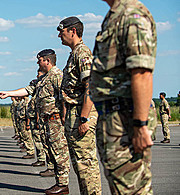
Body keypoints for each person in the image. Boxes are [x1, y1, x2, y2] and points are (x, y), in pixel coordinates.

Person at [89, 0, 157, 194]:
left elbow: (142, 72)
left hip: (125, 119)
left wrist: (140, 124)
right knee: (120, 186)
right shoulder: (115, 15)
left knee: (132, 189)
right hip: (113, 117)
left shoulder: (132, 15)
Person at [0, 49, 70, 195]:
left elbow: (64, 97)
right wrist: (8, 93)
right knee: (51, 151)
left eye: (40, 60)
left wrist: (64, 118)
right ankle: (59, 182)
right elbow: (27, 90)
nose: (38, 63)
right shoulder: (43, 79)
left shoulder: (57, 75)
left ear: (47, 61)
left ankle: (63, 184)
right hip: (46, 122)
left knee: (59, 152)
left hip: (55, 120)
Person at [57, 16, 102, 194]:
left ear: (72, 31)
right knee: (80, 164)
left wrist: (84, 117)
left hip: (81, 113)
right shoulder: (74, 53)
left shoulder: (83, 54)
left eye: (61, 32)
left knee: (86, 163)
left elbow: (91, 87)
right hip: (75, 113)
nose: (59, 36)